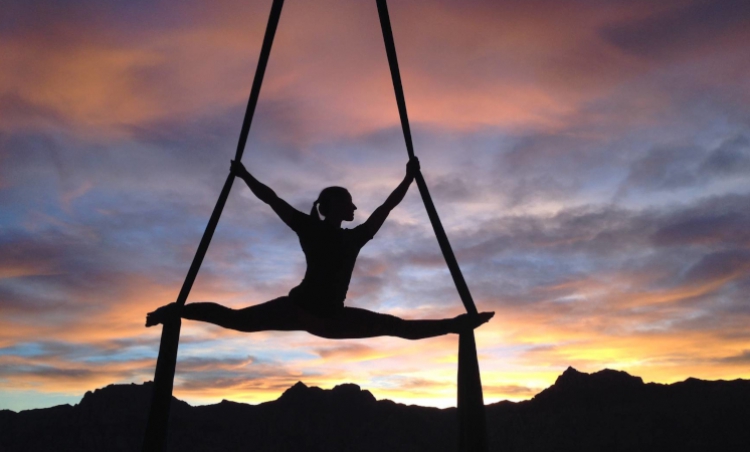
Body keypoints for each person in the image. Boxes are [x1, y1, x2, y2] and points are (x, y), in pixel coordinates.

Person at [146, 158, 493, 339]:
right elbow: (272, 199)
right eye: (350, 204)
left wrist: (408, 179)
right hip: (312, 312)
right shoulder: (337, 234)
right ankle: (175, 311)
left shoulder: (330, 231)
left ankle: (458, 325)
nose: (356, 208)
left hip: (317, 313)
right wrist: (243, 175)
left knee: (395, 325)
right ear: (336, 208)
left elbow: (385, 207)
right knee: (395, 326)